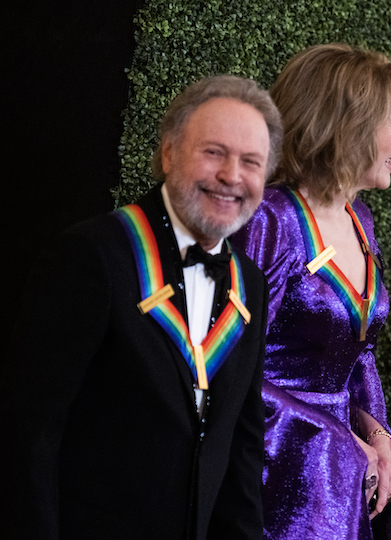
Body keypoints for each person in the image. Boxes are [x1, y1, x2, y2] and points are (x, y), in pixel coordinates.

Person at [0, 75, 282, 539]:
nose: (232, 175)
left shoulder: (250, 283)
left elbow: (242, 451)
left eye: (250, 161)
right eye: (214, 152)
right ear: (169, 153)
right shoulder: (92, 256)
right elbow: (30, 432)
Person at [229, 43, 391, 540]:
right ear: (350, 126)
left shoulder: (361, 219)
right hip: (272, 465)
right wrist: (336, 439)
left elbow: (360, 356)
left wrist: (379, 438)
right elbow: (230, 367)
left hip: (347, 468)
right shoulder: (269, 221)